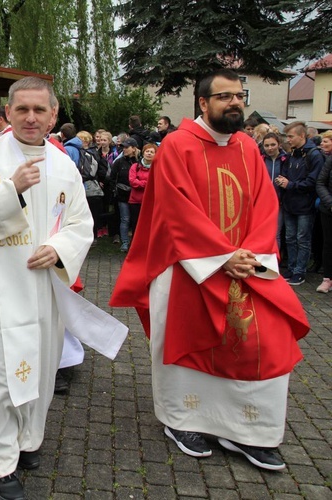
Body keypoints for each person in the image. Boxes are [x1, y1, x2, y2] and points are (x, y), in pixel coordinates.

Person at [110, 69, 309, 471]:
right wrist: (221, 256)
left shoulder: (248, 149)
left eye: (239, 96)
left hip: (245, 266)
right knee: (190, 339)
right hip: (189, 266)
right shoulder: (176, 146)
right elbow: (174, 209)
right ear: (203, 103)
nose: (234, 103)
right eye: (224, 97)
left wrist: (249, 254)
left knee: (264, 342)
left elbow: (264, 203)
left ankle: (249, 431)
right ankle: (182, 421)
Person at [0, 76, 93, 499]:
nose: (31, 118)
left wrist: (60, 248)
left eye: (39, 110)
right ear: (7, 114)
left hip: (43, 290)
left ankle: (29, 439)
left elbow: (80, 223)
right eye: (22, 110)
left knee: (41, 368)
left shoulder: (65, 164)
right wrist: (10, 189)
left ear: (53, 115)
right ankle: (0, 460)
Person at [275, 121, 325, 285]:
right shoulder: (291, 155)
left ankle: (300, 271)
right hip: (290, 204)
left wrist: (290, 184)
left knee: (302, 239)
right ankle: (291, 267)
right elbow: (285, 175)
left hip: (305, 206)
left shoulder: (314, 155)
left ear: (301, 136)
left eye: (291, 136)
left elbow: (312, 182)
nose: (288, 140)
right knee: (290, 238)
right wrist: (284, 182)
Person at [109, 138, 139, 252]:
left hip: (136, 196)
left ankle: (136, 243)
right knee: (125, 219)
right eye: (123, 147)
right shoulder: (119, 162)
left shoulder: (139, 162)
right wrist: (115, 190)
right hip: (122, 195)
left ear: (134, 148)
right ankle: (125, 242)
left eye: (127, 147)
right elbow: (112, 178)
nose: (124, 149)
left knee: (136, 220)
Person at [262, 132, 288, 252]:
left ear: (279, 144)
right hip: (263, 202)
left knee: (276, 233)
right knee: (264, 233)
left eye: (273, 144)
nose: (270, 148)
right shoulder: (260, 159)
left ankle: (275, 261)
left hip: (280, 201)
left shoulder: (286, 159)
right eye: (266, 145)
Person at [314, 130, 332, 292]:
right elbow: (320, 183)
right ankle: (327, 278)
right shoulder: (330, 161)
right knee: (328, 244)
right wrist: (330, 203)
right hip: (329, 210)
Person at [128, 142, 156, 236]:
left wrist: (140, 182)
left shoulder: (158, 168)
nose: (149, 153)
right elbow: (132, 182)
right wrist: (147, 183)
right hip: (135, 201)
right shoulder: (135, 166)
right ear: (143, 153)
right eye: (147, 151)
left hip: (150, 202)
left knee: (149, 226)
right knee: (135, 226)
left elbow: (156, 183)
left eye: (152, 152)